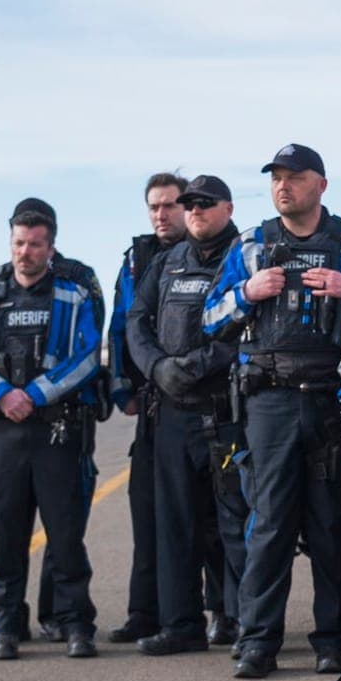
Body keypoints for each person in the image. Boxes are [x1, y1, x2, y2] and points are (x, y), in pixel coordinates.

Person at [204, 144, 341, 678]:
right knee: (269, 523)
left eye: (294, 177)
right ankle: (257, 641)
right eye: (277, 179)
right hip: (268, 400)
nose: (283, 187)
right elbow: (209, 318)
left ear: (322, 185)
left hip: (332, 400)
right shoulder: (251, 245)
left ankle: (332, 640)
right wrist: (246, 290)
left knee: (330, 524)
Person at [0, 199, 105, 660]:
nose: (26, 252)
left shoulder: (72, 294)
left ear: (51, 246)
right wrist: (1, 394)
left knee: (65, 535)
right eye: (19, 242)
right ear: (10, 241)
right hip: (2, 431)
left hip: (57, 432)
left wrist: (35, 394)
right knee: (3, 534)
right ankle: (4, 626)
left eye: (36, 244)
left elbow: (86, 357)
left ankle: (75, 623)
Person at [126, 175, 252, 658]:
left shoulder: (244, 256)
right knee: (173, 523)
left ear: (227, 207)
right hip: (172, 412)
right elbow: (137, 322)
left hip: (225, 410)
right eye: (190, 204)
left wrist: (197, 366)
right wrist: (158, 367)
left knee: (233, 521)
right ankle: (181, 623)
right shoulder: (166, 262)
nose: (195, 211)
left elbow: (245, 323)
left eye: (205, 203)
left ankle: (243, 622)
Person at [108, 172, 214, 644]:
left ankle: (218, 612)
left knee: (208, 519)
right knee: (150, 515)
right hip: (153, 403)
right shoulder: (138, 261)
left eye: (170, 205)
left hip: (202, 400)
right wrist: (128, 384)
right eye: (154, 207)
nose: (163, 215)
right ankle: (146, 613)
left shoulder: (213, 251)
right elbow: (124, 326)